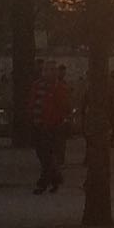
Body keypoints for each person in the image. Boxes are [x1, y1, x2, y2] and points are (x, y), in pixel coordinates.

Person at [28, 59, 69, 194]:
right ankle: (55, 177)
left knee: (46, 154)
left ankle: (43, 182)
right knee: (42, 153)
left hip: (51, 125)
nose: (48, 73)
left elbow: (63, 106)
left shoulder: (59, 87)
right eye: (46, 70)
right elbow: (33, 102)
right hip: (38, 123)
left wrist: (57, 121)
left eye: (51, 70)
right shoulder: (37, 85)